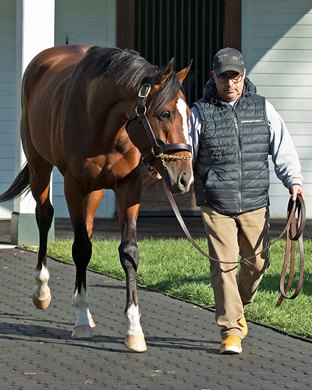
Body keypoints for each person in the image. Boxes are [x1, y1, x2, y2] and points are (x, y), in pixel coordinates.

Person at [189, 47, 306, 354]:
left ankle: (236, 310)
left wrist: (294, 182)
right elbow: (185, 153)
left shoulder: (263, 109)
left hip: (255, 200)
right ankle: (230, 330)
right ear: (213, 77)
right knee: (224, 264)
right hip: (216, 201)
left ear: (244, 76)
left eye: (235, 76)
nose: (230, 83)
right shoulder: (199, 112)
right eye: (224, 77)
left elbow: (283, 148)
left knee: (257, 264)